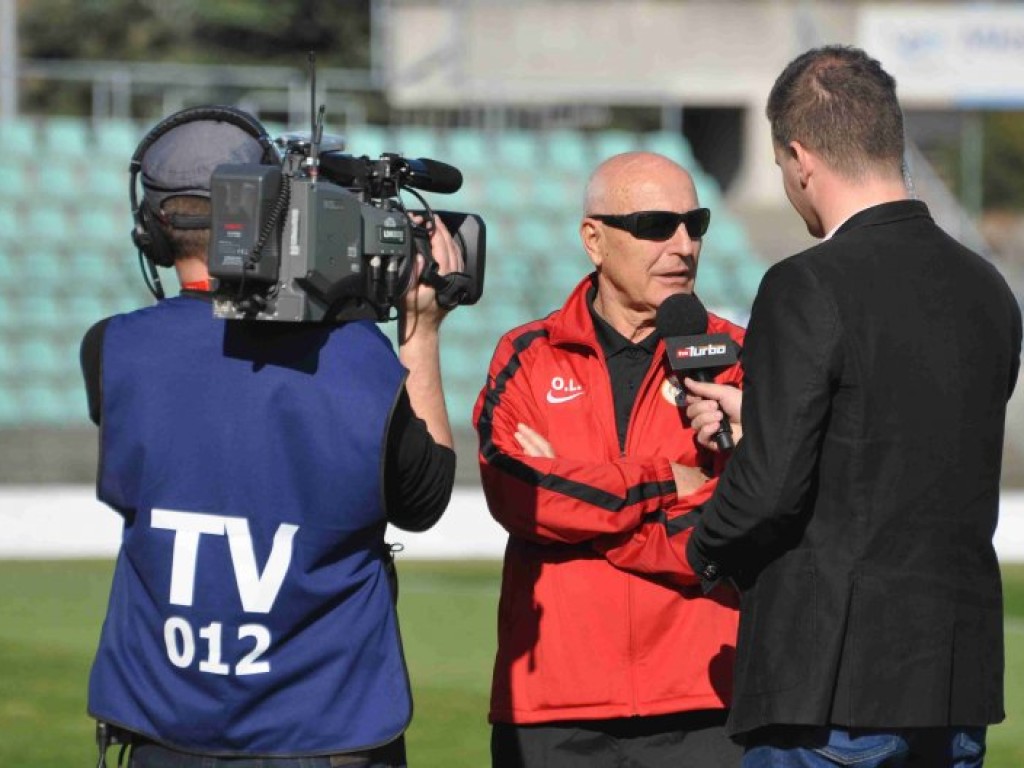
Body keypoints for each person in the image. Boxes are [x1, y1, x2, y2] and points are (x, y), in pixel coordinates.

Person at [80, 107, 462, 768]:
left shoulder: (111, 348)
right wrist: (420, 331)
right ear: (272, 212)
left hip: (164, 728)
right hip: (326, 732)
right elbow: (423, 500)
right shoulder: (358, 359)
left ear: (152, 229)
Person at [681, 46, 1022, 767]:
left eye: (782, 166)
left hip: (832, 687)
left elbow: (770, 492)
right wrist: (762, 419)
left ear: (801, 159)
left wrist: (704, 546)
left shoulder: (805, 284)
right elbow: (906, 441)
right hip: (954, 684)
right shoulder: (988, 287)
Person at [473, 151, 746, 767]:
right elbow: (518, 494)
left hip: (706, 700)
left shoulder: (739, 355)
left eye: (695, 224)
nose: (683, 245)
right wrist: (664, 481)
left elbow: (738, 520)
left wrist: (581, 506)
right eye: (656, 225)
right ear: (593, 240)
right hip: (551, 710)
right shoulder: (527, 354)